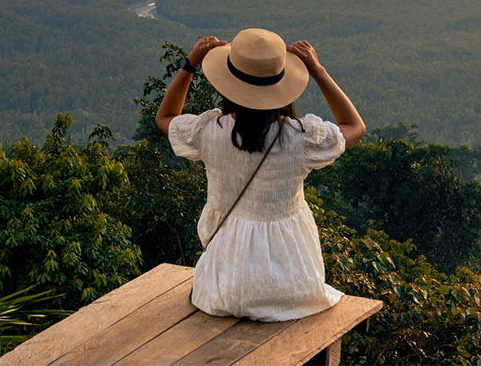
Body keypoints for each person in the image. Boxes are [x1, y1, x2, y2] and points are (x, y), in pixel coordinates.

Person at [155, 28, 365, 321]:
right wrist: (317, 71)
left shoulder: (208, 133)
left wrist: (190, 64)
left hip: (223, 287)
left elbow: (165, 117)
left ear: (229, 85)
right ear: (283, 87)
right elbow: (355, 126)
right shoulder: (301, 138)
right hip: (293, 288)